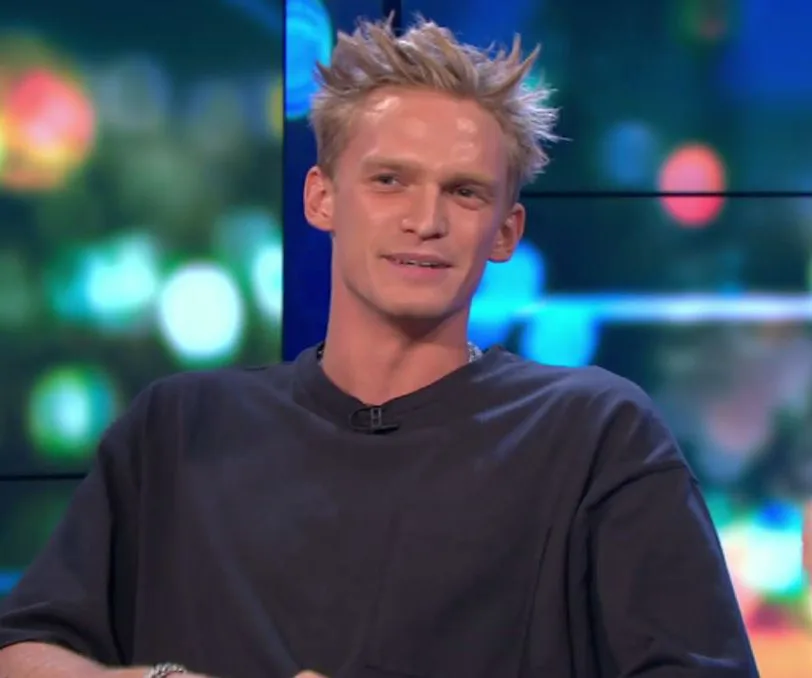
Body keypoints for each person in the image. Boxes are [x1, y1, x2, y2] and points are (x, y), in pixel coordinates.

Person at [0, 15, 759, 678]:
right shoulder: (177, 428)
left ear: (505, 231)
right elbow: (22, 650)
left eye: (463, 192)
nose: (424, 219)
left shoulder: (597, 434)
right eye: (390, 181)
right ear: (321, 197)